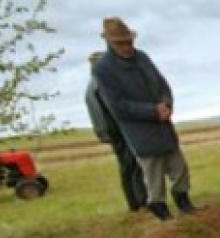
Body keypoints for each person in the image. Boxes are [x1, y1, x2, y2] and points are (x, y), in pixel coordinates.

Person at [93, 17, 199, 221]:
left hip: (163, 125)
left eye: (128, 41)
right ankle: (159, 209)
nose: (127, 46)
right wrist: (152, 111)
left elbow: (162, 85)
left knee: (179, 168)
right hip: (139, 131)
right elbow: (117, 106)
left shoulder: (142, 57)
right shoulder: (103, 70)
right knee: (153, 173)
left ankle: (184, 202)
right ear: (109, 42)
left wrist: (166, 105)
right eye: (120, 43)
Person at [85, 51, 146, 212]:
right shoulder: (102, 84)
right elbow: (114, 110)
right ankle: (140, 202)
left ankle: (135, 203)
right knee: (132, 166)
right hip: (118, 130)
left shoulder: (91, 86)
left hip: (110, 132)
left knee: (127, 166)